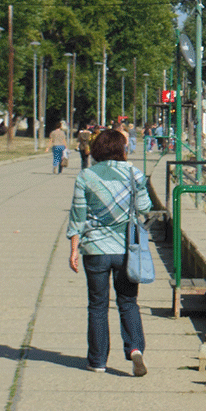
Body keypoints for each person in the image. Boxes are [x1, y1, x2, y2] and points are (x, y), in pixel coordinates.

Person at [67, 128, 152, 376]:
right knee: (128, 302)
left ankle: (97, 361)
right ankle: (135, 348)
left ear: (96, 150)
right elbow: (145, 207)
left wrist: (73, 250)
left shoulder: (86, 176)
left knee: (97, 305)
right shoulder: (133, 173)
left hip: (94, 250)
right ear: (122, 149)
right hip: (127, 250)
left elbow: (77, 217)